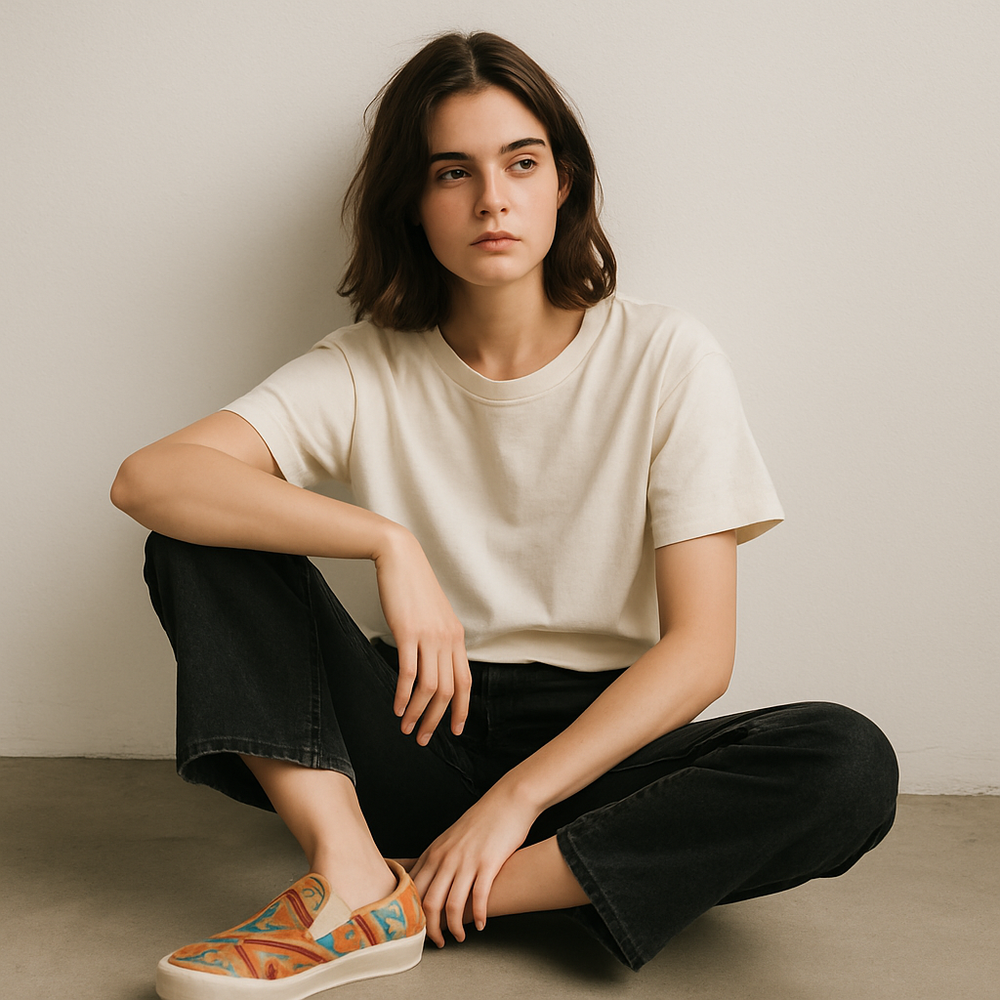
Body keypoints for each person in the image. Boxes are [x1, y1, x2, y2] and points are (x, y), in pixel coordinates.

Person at [111, 30, 898, 1000]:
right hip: (415, 726)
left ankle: (404, 900)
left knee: (846, 758)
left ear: (562, 180)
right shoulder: (367, 365)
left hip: (598, 755)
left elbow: (700, 653)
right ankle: (348, 861)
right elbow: (151, 478)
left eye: (520, 162)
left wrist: (517, 799)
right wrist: (384, 541)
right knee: (195, 535)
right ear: (414, 197)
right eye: (453, 171)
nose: (492, 198)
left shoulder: (664, 356)